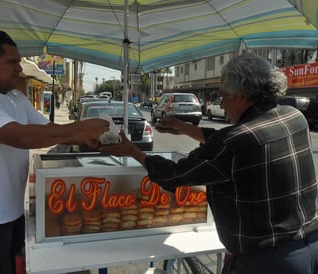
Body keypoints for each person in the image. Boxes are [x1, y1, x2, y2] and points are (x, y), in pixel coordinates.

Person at [100, 53, 318, 274]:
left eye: (223, 96)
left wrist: (134, 152)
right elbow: (241, 143)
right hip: (310, 248)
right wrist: (186, 128)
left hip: (268, 263)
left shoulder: (234, 143)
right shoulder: (294, 117)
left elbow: (174, 174)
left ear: (240, 95)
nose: (221, 104)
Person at [0, 30, 109, 274]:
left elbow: (48, 129)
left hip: (11, 204)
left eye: (19, 62)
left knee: (15, 263)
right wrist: (81, 126)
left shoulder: (15, 98)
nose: (18, 69)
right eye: (11, 62)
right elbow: (22, 137)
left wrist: (82, 136)